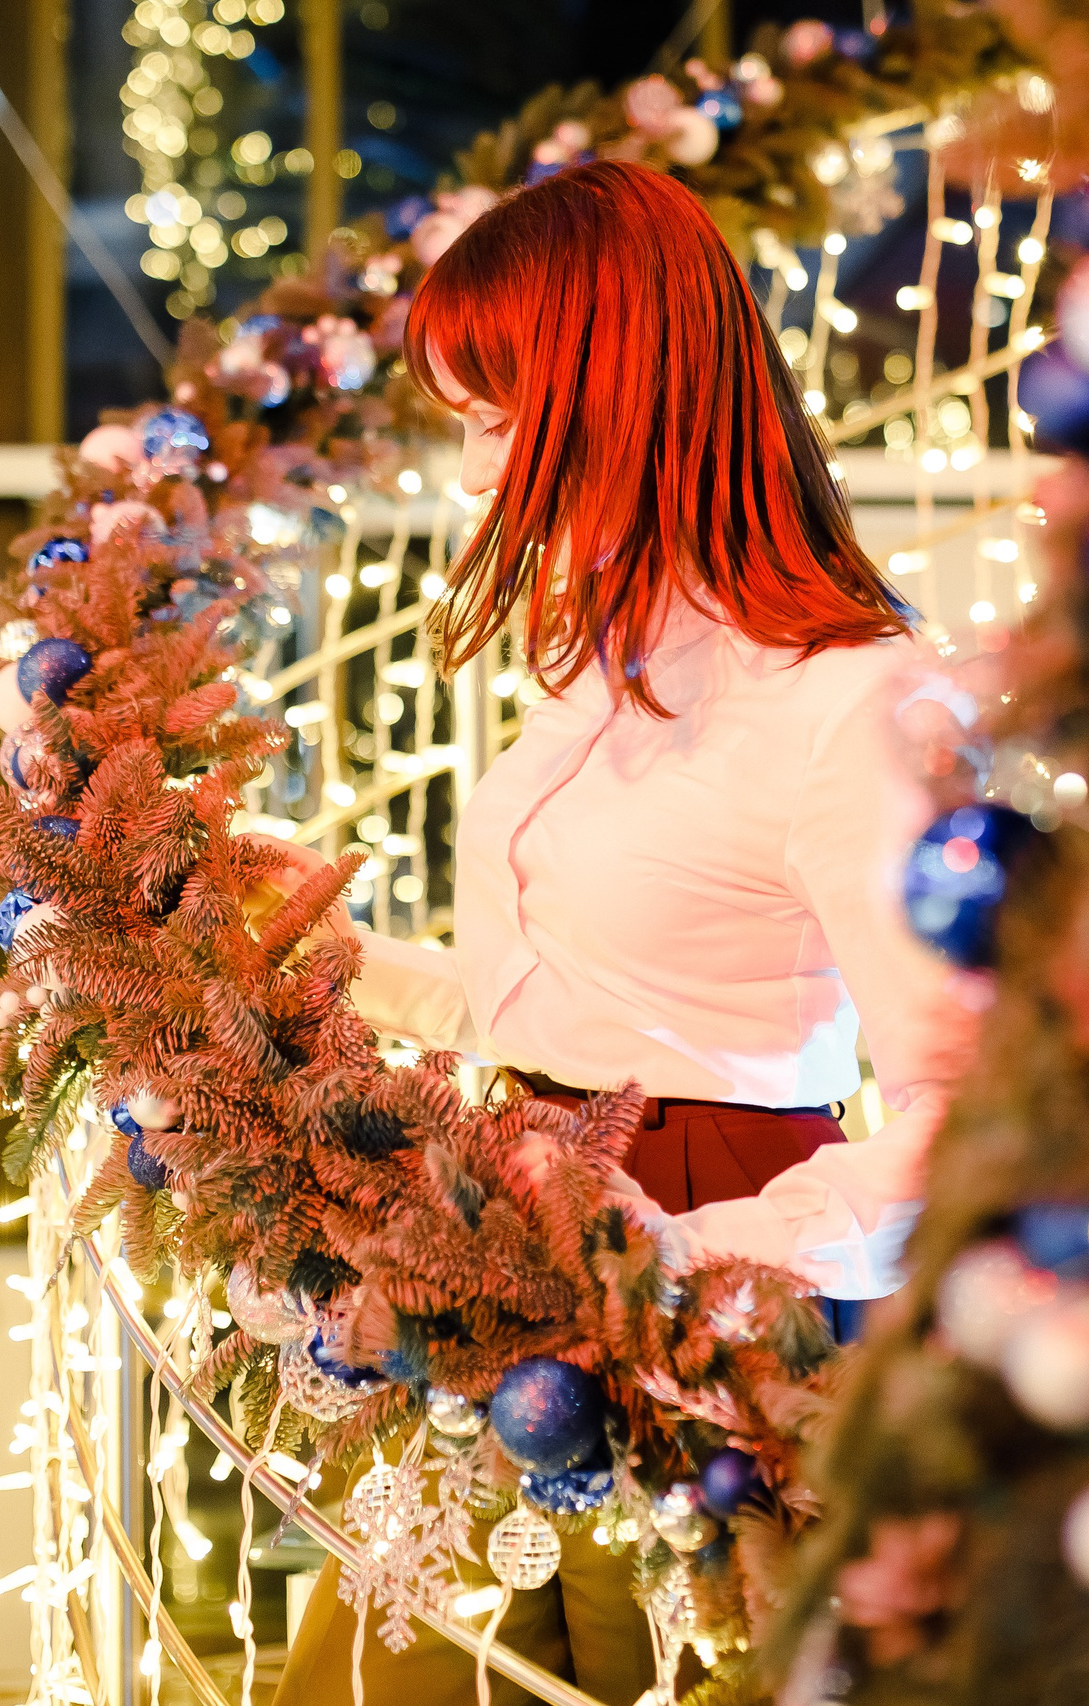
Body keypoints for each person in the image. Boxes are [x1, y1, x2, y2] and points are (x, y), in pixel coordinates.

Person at [262, 161, 979, 1706]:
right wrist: (313, 938)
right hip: (509, 1264)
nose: (470, 479)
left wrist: (695, 1264)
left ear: (621, 394)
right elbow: (573, 1013)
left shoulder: (853, 701)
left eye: (490, 417)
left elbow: (973, 1116)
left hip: (697, 1327)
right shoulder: (610, 660)